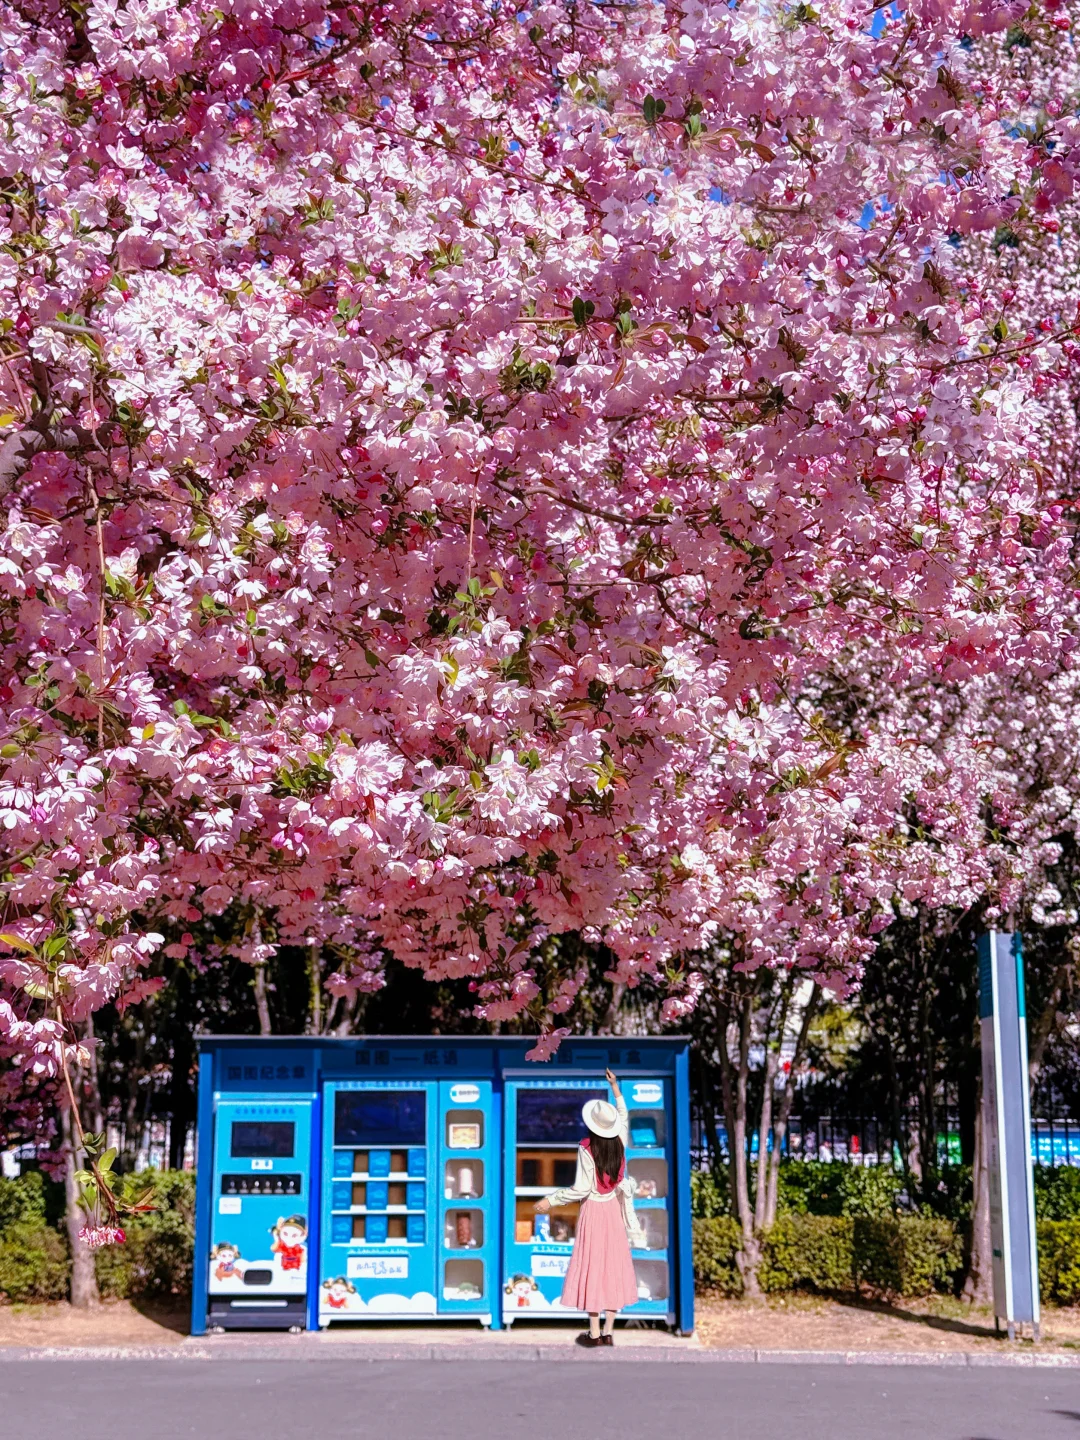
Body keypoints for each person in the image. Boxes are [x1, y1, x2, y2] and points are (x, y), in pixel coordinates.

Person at [535, 1067, 639, 1347]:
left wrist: (550, 1200)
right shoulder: (620, 1142)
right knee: (614, 1267)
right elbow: (625, 1114)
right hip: (614, 1211)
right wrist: (616, 1087)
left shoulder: (585, 1147)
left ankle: (593, 1333)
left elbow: (581, 1189)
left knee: (594, 1268)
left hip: (593, 1210)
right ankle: (608, 1331)